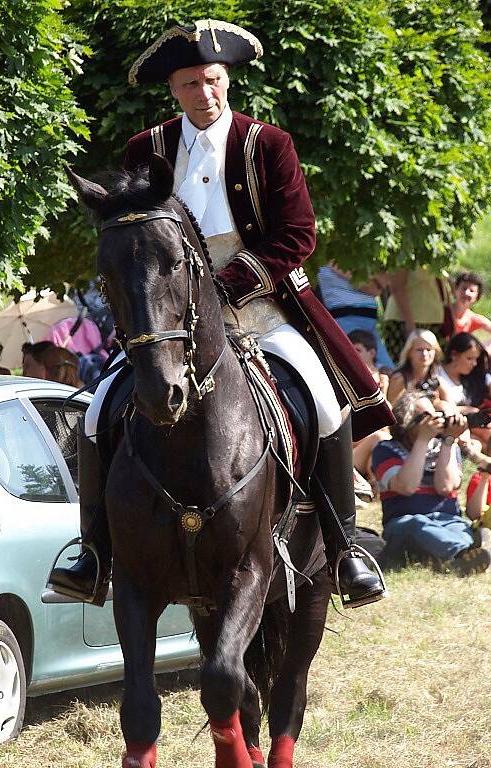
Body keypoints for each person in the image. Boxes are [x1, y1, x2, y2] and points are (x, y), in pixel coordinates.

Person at [50, 18, 394, 610]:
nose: (204, 94)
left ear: (226, 79)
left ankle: (344, 547)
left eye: (212, 80)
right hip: (169, 319)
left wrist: (228, 286)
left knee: (322, 397)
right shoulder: (146, 149)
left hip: (261, 306)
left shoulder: (271, 144)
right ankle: (93, 552)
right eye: (190, 84)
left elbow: (297, 235)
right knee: (97, 409)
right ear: (173, 91)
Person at [371, 392, 490, 573]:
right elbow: (406, 486)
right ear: (407, 421)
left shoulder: (446, 447)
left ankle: (465, 554)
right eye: (427, 416)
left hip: (449, 520)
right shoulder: (385, 449)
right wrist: (422, 440)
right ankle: (464, 553)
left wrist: (449, 441)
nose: (435, 419)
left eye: (436, 413)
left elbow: (446, 487)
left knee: (460, 528)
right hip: (404, 521)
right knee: (417, 525)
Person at [318, 264, 394, 369]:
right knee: (363, 369)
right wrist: (372, 278)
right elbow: (369, 286)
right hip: (347, 321)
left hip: (368, 323)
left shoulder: (357, 257)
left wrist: (371, 279)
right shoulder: (329, 260)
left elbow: (379, 286)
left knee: (389, 369)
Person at [382, 268, 453, 363]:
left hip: (436, 322)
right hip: (404, 321)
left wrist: (452, 322)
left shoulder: (439, 255)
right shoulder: (405, 256)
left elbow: (444, 290)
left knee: (434, 367)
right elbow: (397, 288)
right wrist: (410, 324)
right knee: (402, 365)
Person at [348, 329, 392, 480]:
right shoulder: (346, 380)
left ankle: (375, 484)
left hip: (376, 445)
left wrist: (384, 393)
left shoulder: (384, 377)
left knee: (382, 438)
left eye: (358, 350)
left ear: (372, 353)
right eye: (350, 350)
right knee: (380, 437)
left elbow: (392, 416)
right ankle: (377, 485)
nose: (354, 355)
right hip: (352, 453)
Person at [437, 332, 491, 448]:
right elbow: (438, 405)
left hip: (473, 427)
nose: (474, 363)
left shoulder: (473, 377)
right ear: (454, 354)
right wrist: (466, 410)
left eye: (476, 359)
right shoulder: (436, 375)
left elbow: (488, 381)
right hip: (450, 427)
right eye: (469, 358)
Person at [386, 329, 449, 408]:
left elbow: (451, 405)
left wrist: (440, 405)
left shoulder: (434, 378)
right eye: (419, 350)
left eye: (429, 349)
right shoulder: (400, 378)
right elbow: (391, 411)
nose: (424, 354)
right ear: (409, 352)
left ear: (435, 352)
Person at [450, 271, 491, 338]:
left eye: (471, 290)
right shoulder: (443, 311)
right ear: (455, 289)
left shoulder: (474, 319)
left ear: (477, 296)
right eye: (464, 288)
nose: (466, 293)